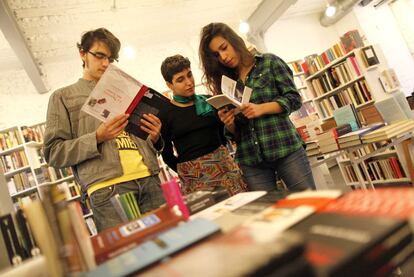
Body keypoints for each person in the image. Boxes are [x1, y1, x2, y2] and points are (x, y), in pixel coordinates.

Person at [43, 28, 165, 231]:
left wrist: (154, 137)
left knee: (171, 241)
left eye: (111, 58)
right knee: (127, 256)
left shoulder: (126, 90)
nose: (106, 64)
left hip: (149, 178)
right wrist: (97, 137)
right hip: (108, 188)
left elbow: (144, 140)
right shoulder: (63, 97)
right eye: (99, 56)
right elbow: (53, 153)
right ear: (83, 54)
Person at [198, 22, 316, 192]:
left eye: (224, 48)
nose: (223, 57)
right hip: (251, 159)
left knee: (309, 203)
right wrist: (229, 124)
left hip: (285, 148)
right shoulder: (227, 84)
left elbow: (294, 99)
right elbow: (234, 134)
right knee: (265, 215)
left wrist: (262, 108)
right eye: (217, 55)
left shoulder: (269, 62)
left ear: (234, 41)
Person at [159, 54, 247, 196]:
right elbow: (167, 154)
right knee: (209, 215)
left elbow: (224, 136)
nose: (189, 82)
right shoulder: (165, 115)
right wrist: (189, 171)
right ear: (169, 85)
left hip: (224, 168)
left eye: (189, 75)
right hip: (194, 177)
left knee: (242, 210)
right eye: (180, 79)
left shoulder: (210, 102)